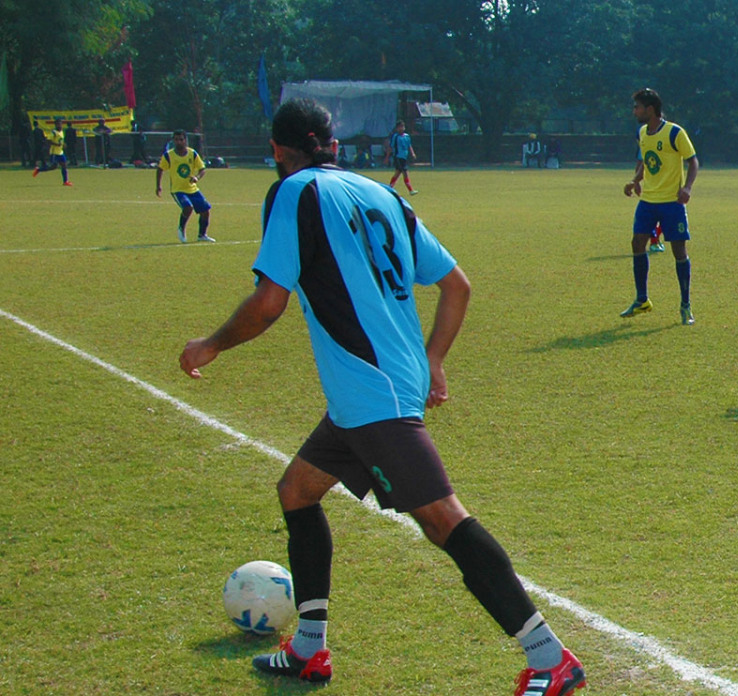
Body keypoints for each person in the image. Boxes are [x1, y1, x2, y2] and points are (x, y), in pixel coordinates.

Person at [177, 99, 586, 696]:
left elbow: (269, 303)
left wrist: (211, 344)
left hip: (374, 393)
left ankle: (550, 658)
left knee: (442, 520)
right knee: (297, 491)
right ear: (331, 141)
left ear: (277, 149)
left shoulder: (294, 191)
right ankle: (309, 650)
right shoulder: (382, 195)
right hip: (367, 393)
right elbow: (456, 285)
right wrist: (433, 360)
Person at [620, 88, 699, 325]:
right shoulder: (643, 132)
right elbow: (647, 160)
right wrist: (635, 180)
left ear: (650, 109)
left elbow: (693, 161)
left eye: (637, 107)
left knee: (678, 251)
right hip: (648, 201)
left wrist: (687, 188)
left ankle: (685, 305)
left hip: (671, 202)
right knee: (637, 243)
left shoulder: (675, 132)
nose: (634, 111)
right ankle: (642, 299)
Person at [155, 130, 215, 243]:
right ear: (173, 141)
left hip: (192, 189)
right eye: (176, 140)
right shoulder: (169, 155)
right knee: (188, 207)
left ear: (185, 140)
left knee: (205, 211)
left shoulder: (192, 153)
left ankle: (202, 235)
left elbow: (202, 169)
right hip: (178, 190)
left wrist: (197, 177)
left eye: (181, 139)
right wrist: (158, 186)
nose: (179, 142)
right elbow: (160, 169)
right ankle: (181, 228)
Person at [32, 118, 72, 186]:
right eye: (58, 124)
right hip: (54, 153)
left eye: (60, 124)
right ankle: (38, 170)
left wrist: (63, 144)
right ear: (56, 125)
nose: (60, 125)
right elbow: (48, 141)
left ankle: (65, 181)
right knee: (52, 167)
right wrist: (56, 144)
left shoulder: (62, 132)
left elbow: (60, 140)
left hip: (60, 152)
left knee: (64, 166)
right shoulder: (53, 132)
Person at [388, 120, 419, 194]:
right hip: (398, 157)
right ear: (397, 128)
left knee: (398, 173)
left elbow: (409, 145)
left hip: (404, 157)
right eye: (400, 127)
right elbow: (391, 147)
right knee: (405, 172)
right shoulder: (395, 137)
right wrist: (387, 157)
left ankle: (390, 188)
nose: (401, 128)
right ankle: (410, 190)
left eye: (402, 126)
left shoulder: (406, 136)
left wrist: (412, 153)